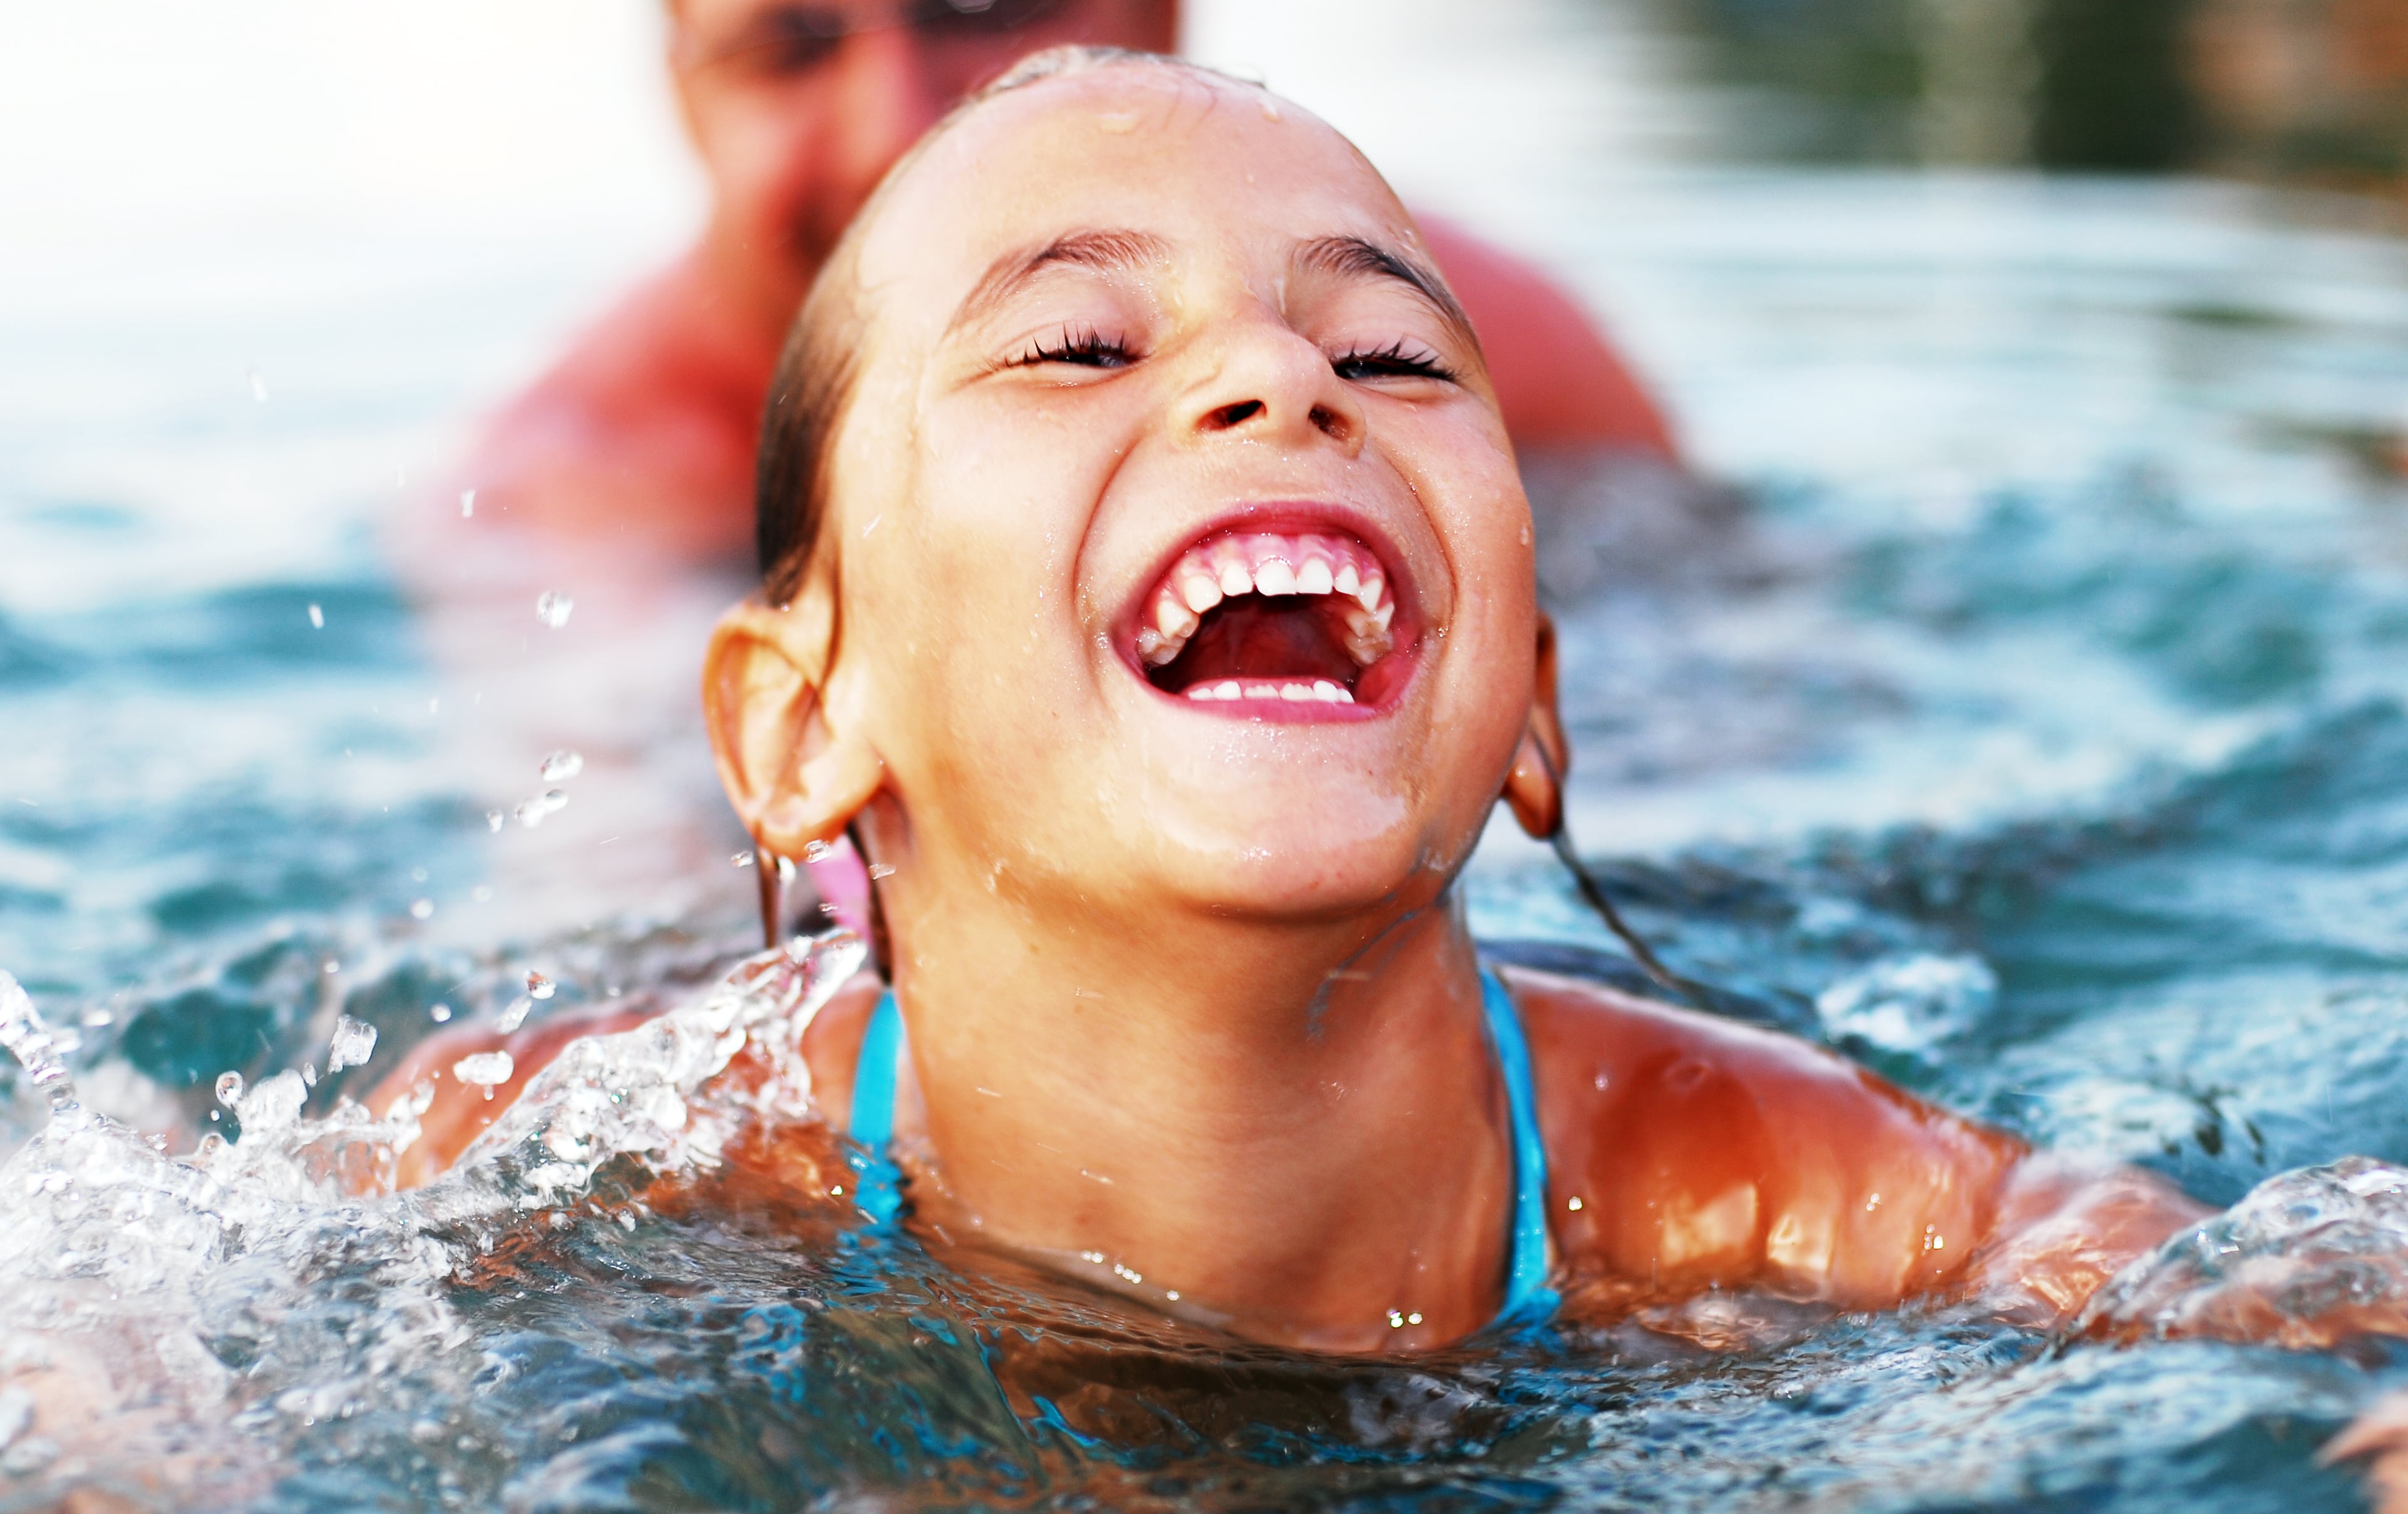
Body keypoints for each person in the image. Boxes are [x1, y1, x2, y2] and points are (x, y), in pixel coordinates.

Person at [383, 47, 2231, 1356]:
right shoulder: (669, 1139)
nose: (1279, 378)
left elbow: (2134, 1254)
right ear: (799, 734)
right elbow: (190, 1240)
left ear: (1530, 703)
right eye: (1082, 345)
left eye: (1388, 354)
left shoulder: (1723, 1179)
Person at [445, 0, 1677, 568]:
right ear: (684, 89)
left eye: (977, 9)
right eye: (791, 46)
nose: (894, 126)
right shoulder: (583, 490)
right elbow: (617, 919)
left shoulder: (1471, 355)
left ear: (1166, 17)